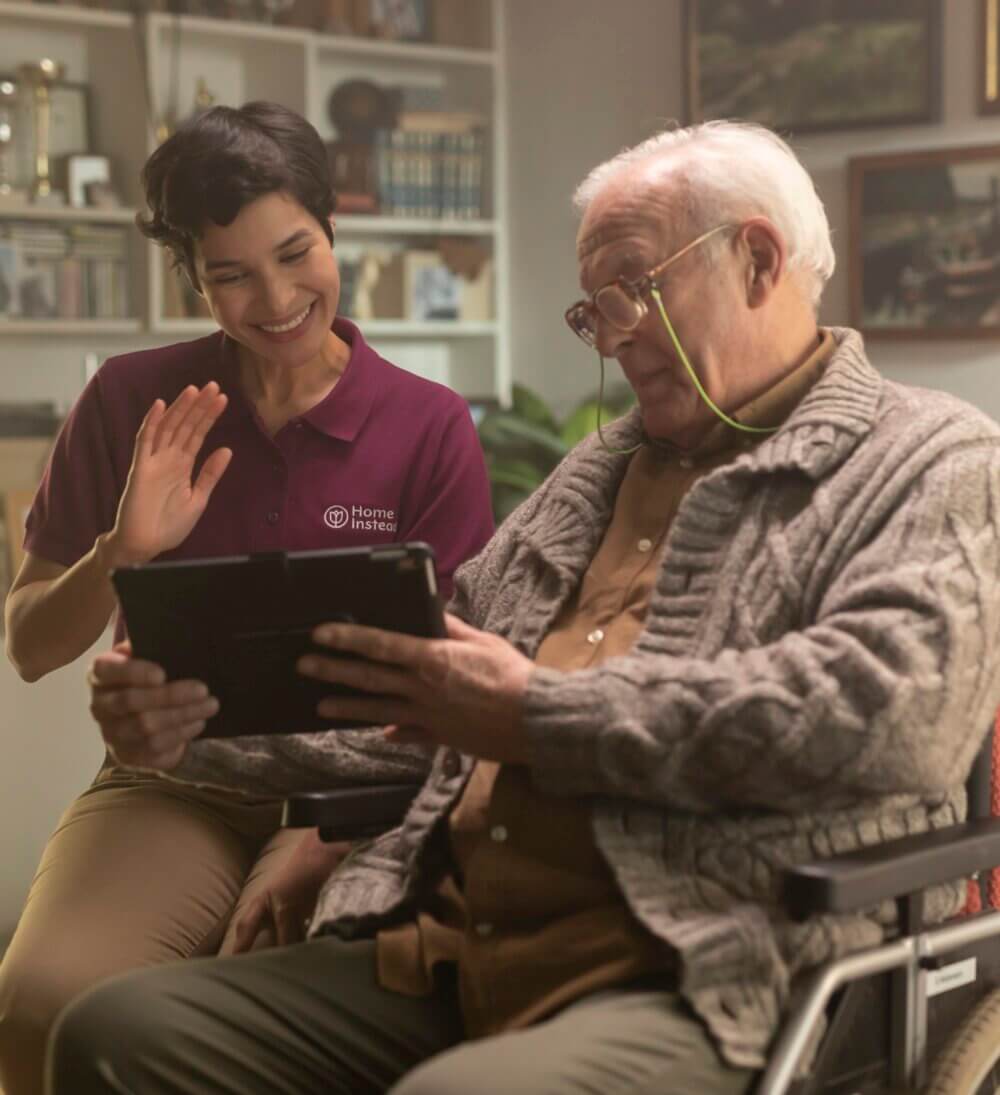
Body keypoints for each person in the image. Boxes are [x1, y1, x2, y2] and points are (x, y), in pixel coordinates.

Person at [54, 120, 1000, 1095]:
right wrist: (189, 727)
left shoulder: (931, 459)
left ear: (757, 259)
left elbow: (896, 719)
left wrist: (535, 713)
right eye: (594, 312)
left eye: (634, 289)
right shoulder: (595, 472)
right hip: (461, 938)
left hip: (711, 964)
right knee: (120, 1033)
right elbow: (425, 700)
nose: (616, 334)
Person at [0, 101, 494, 1095]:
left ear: (332, 229)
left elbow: (462, 680)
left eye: (294, 252)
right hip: (175, 787)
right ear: (190, 275)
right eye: (229, 273)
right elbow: (30, 644)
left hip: (365, 799)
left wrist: (321, 837)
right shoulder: (129, 402)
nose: (273, 299)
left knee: (291, 1032)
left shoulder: (429, 425)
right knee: (41, 1003)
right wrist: (119, 551)